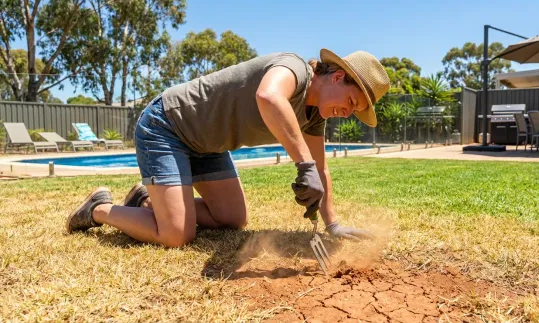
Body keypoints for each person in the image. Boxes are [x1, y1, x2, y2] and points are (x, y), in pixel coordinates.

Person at [66, 48, 390, 247]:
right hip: (167, 126)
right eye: (350, 102)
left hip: (209, 145)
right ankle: (97, 209)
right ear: (337, 78)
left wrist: (332, 223)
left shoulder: (314, 119)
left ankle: (147, 201)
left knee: (232, 219)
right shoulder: (292, 68)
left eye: (354, 110)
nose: (347, 112)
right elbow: (269, 97)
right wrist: (303, 165)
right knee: (177, 235)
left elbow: (321, 168)